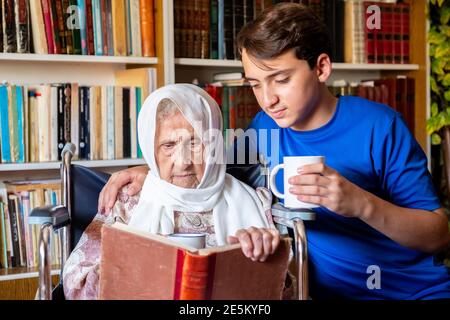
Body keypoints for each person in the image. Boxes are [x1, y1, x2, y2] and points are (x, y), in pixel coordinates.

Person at [98, 3, 450, 299]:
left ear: (322, 68)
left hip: (411, 292)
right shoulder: (264, 129)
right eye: (255, 84)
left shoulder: (379, 126)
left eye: (281, 79)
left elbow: (437, 234)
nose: (268, 99)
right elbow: (212, 175)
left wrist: (360, 203)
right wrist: (153, 172)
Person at [63, 84, 281, 300]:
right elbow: (76, 286)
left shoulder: (254, 201)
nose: (183, 162)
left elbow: (288, 291)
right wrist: (130, 265)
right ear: (151, 151)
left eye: (195, 143)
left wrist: (262, 262)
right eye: (168, 146)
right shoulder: (127, 201)